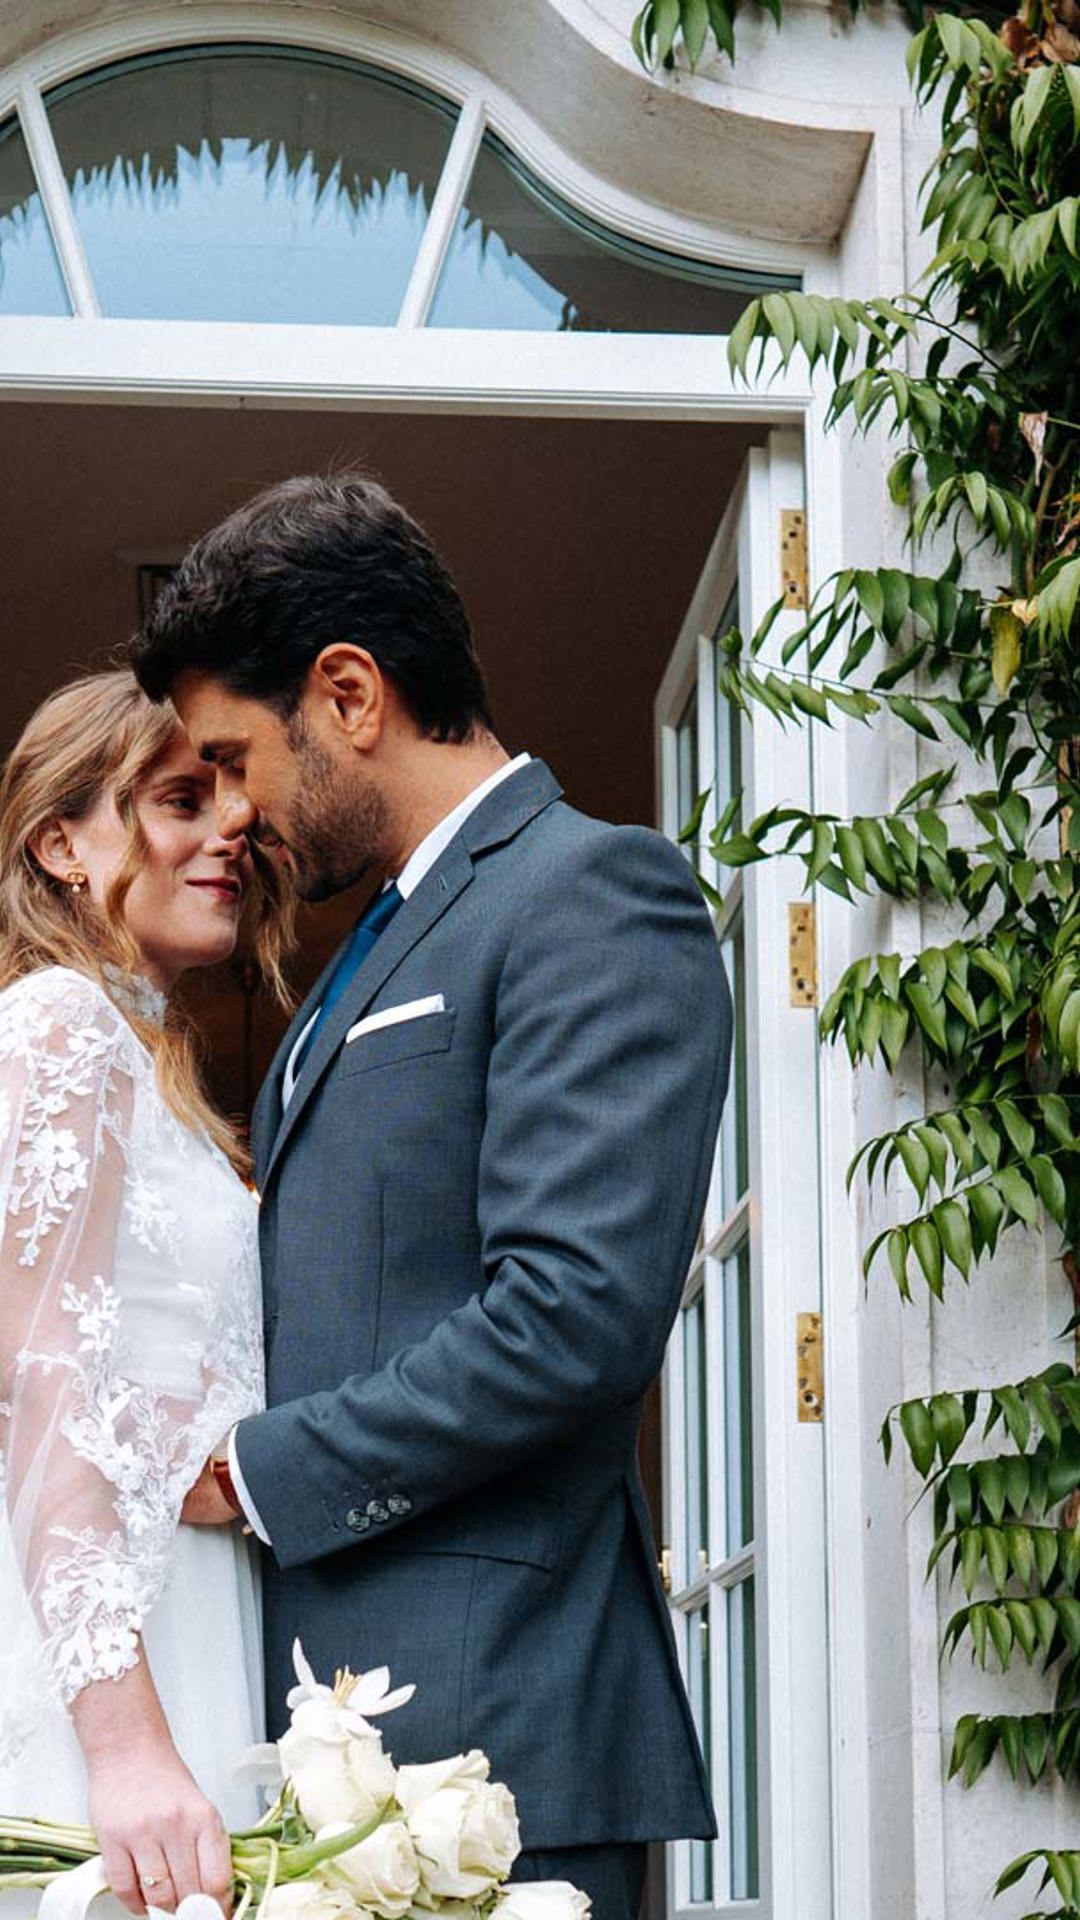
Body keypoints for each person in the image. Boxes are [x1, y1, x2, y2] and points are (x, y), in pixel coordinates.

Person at [132, 473, 732, 1920]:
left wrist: (256, 1475)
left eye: (236, 760)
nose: (235, 814)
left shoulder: (594, 894)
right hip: (326, 1741)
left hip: (495, 1735)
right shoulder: (367, 947)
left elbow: (571, 1317)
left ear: (349, 695)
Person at [0, 671, 291, 1918]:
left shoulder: (139, 1055)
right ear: (60, 845)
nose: (231, 829)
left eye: (233, 800)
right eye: (180, 800)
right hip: (117, 1662)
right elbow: (44, 1386)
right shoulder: (62, 1026)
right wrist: (124, 1750)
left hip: (186, 1608)